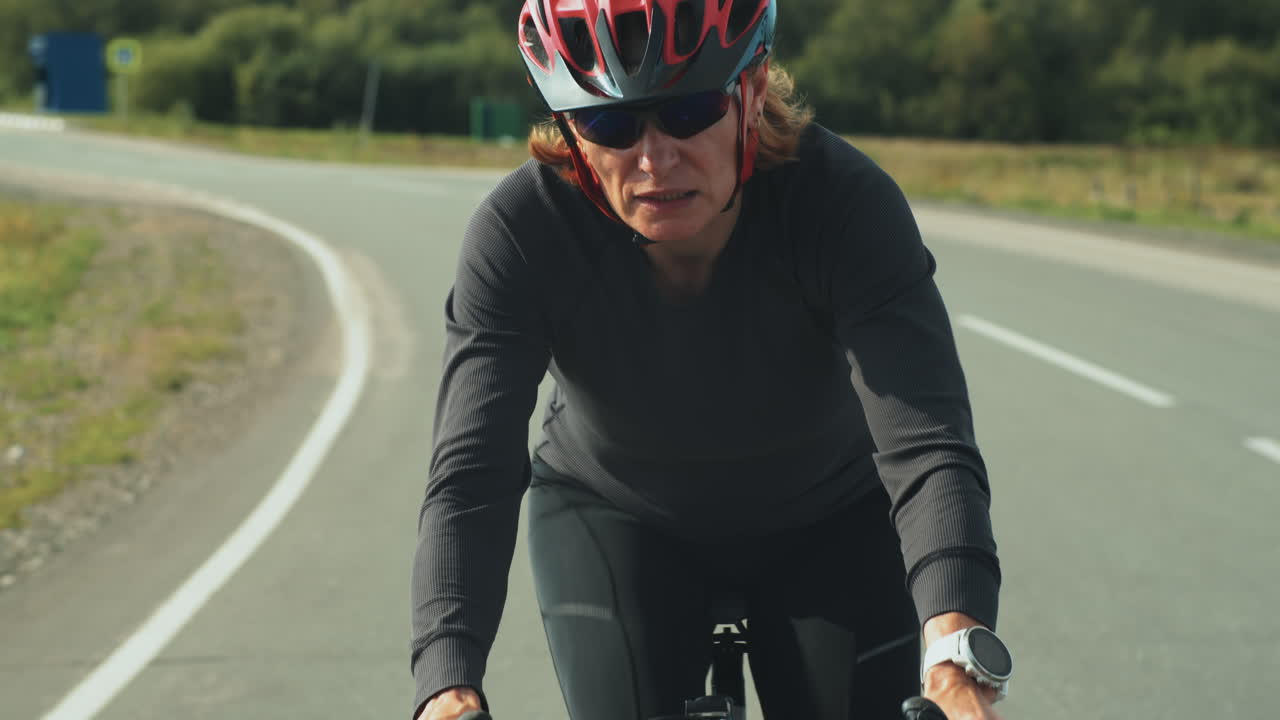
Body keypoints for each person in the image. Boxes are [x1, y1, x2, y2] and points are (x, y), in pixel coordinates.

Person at [411, 1, 1012, 719]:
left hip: (832, 520)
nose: (654, 159)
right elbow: (470, 476)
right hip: (615, 516)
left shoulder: (844, 206)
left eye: (689, 111)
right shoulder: (520, 234)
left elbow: (928, 448)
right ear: (569, 130)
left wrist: (955, 652)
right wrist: (447, 686)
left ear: (752, 92)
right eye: (610, 124)